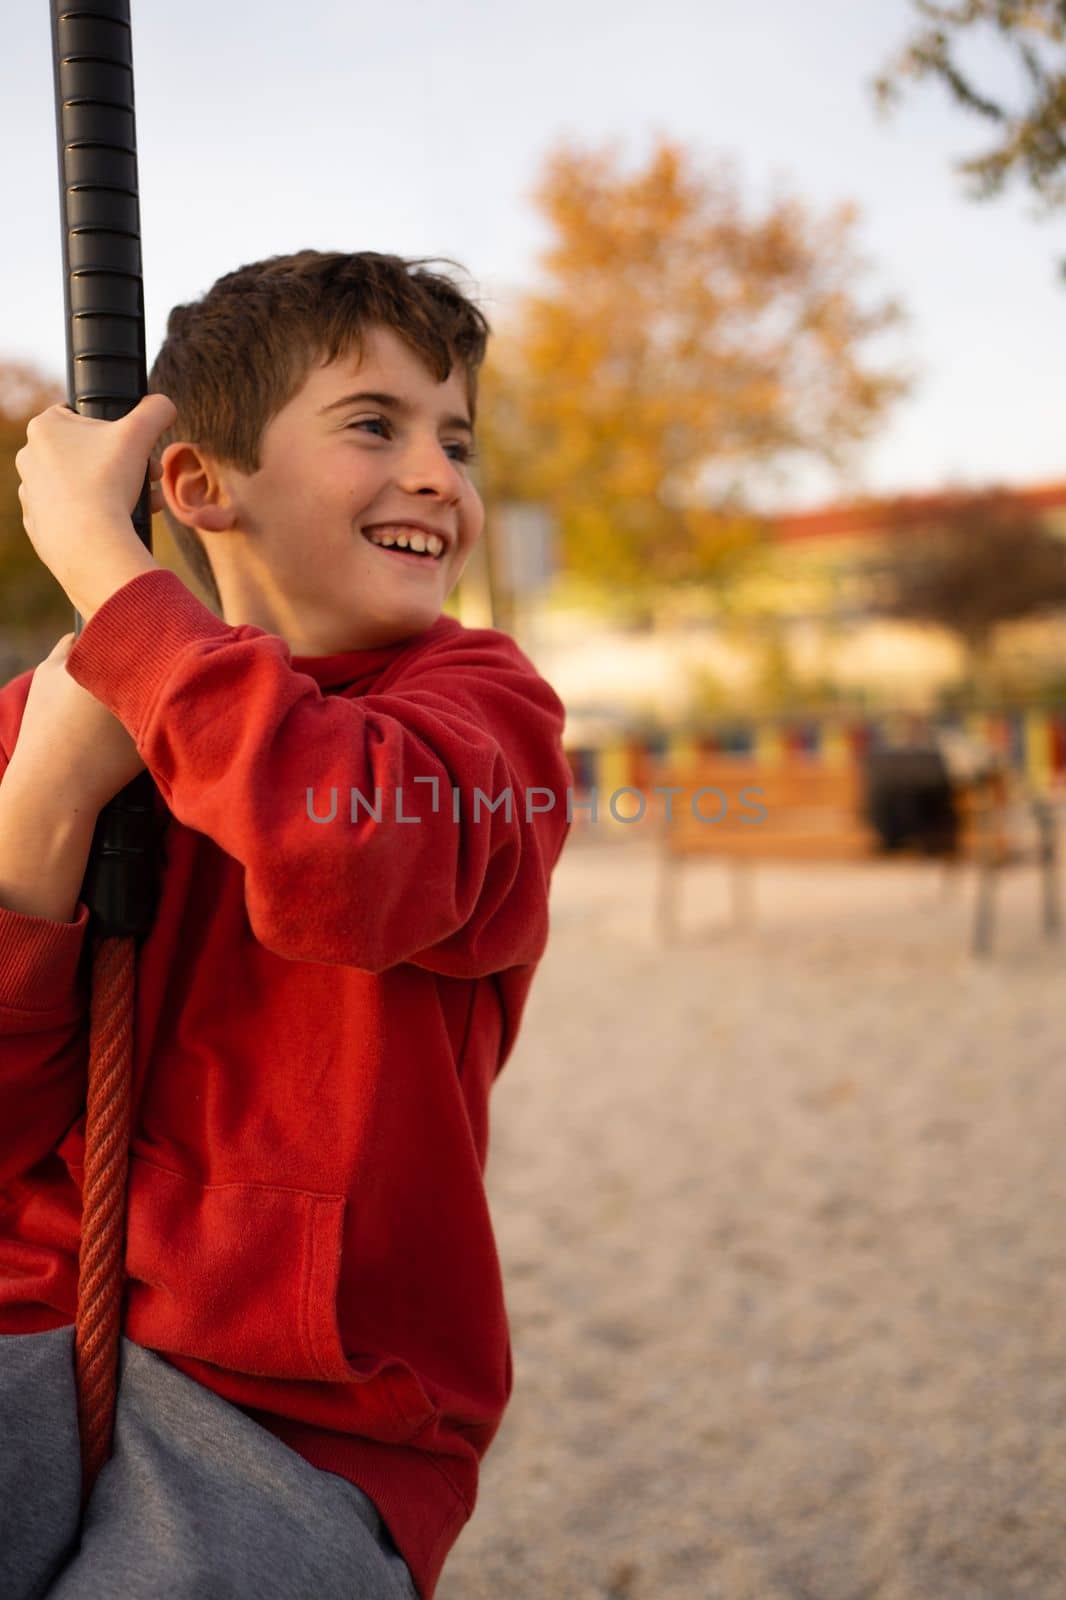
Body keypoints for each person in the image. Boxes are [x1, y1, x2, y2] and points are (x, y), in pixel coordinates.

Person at [0, 250, 573, 1600]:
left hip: (310, 1405)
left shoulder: (485, 714)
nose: (438, 473)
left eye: (455, 438)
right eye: (373, 424)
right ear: (201, 485)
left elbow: (348, 858)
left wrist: (107, 573)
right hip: (26, 1322)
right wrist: (40, 817)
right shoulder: (52, 723)